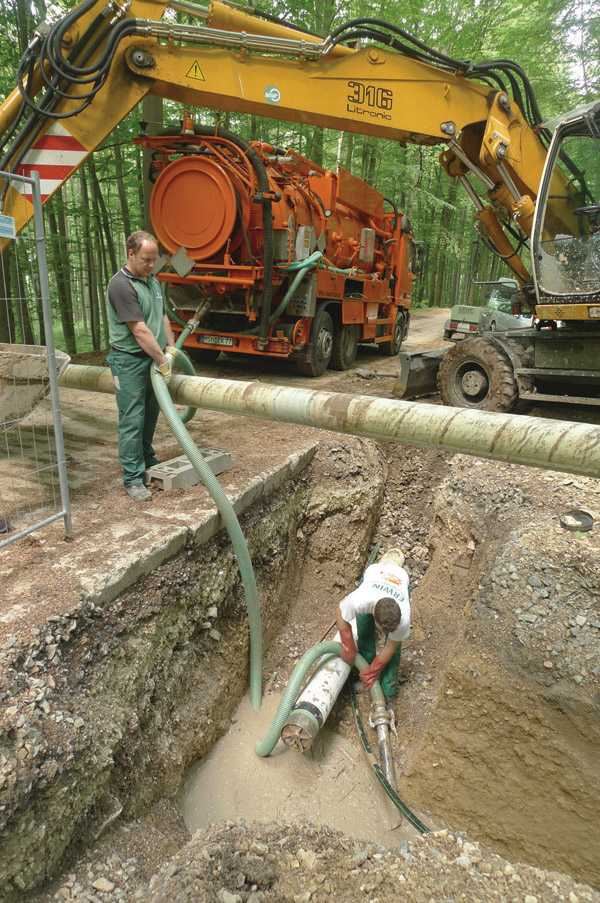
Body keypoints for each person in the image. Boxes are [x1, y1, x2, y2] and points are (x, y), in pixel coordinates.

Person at [106, 230, 178, 502]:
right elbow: (139, 330)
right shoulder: (121, 286)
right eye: (146, 259)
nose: (151, 265)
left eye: (154, 260)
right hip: (129, 362)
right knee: (132, 419)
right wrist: (162, 361)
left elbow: (163, 319)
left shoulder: (152, 281)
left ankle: (147, 460)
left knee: (151, 414)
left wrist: (170, 350)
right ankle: (133, 478)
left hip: (153, 358)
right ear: (131, 254)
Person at [336, 548, 410, 708]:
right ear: (373, 612)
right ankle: (362, 669)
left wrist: (375, 670)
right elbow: (340, 613)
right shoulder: (361, 600)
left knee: (394, 650)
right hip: (376, 574)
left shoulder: (403, 617)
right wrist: (347, 645)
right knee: (364, 631)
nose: (384, 633)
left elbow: (390, 646)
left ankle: (388, 691)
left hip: (399, 580)